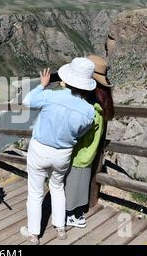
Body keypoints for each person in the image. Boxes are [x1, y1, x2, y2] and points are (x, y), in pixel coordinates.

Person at [20, 58, 97, 244]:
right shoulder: (89, 111)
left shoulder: (51, 95)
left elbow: (26, 102)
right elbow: (81, 131)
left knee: (35, 192)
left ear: (67, 79)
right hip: (63, 153)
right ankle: (60, 228)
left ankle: (33, 233)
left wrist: (42, 85)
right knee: (57, 187)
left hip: (40, 149)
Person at [65, 55, 114, 228]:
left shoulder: (90, 105)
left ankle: (71, 214)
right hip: (90, 151)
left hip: (79, 151)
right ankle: (77, 213)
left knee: (72, 183)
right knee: (81, 181)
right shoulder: (103, 100)